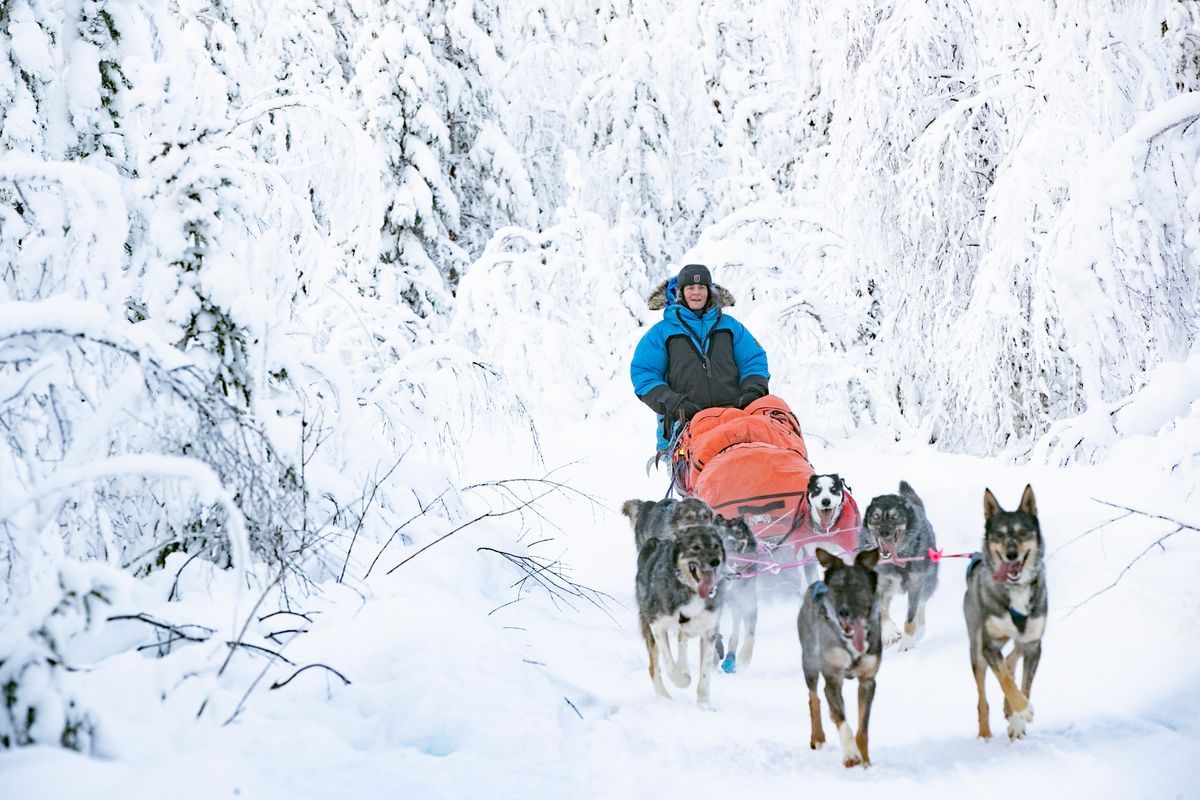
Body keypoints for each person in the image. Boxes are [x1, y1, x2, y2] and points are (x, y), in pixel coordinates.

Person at [631, 263, 770, 452]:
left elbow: (753, 360)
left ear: (709, 291)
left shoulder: (731, 327)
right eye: (690, 288)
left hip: (734, 419)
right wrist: (675, 403)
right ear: (681, 293)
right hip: (685, 428)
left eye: (701, 287)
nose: (696, 292)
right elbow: (644, 374)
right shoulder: (660, 333)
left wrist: (752, 390)